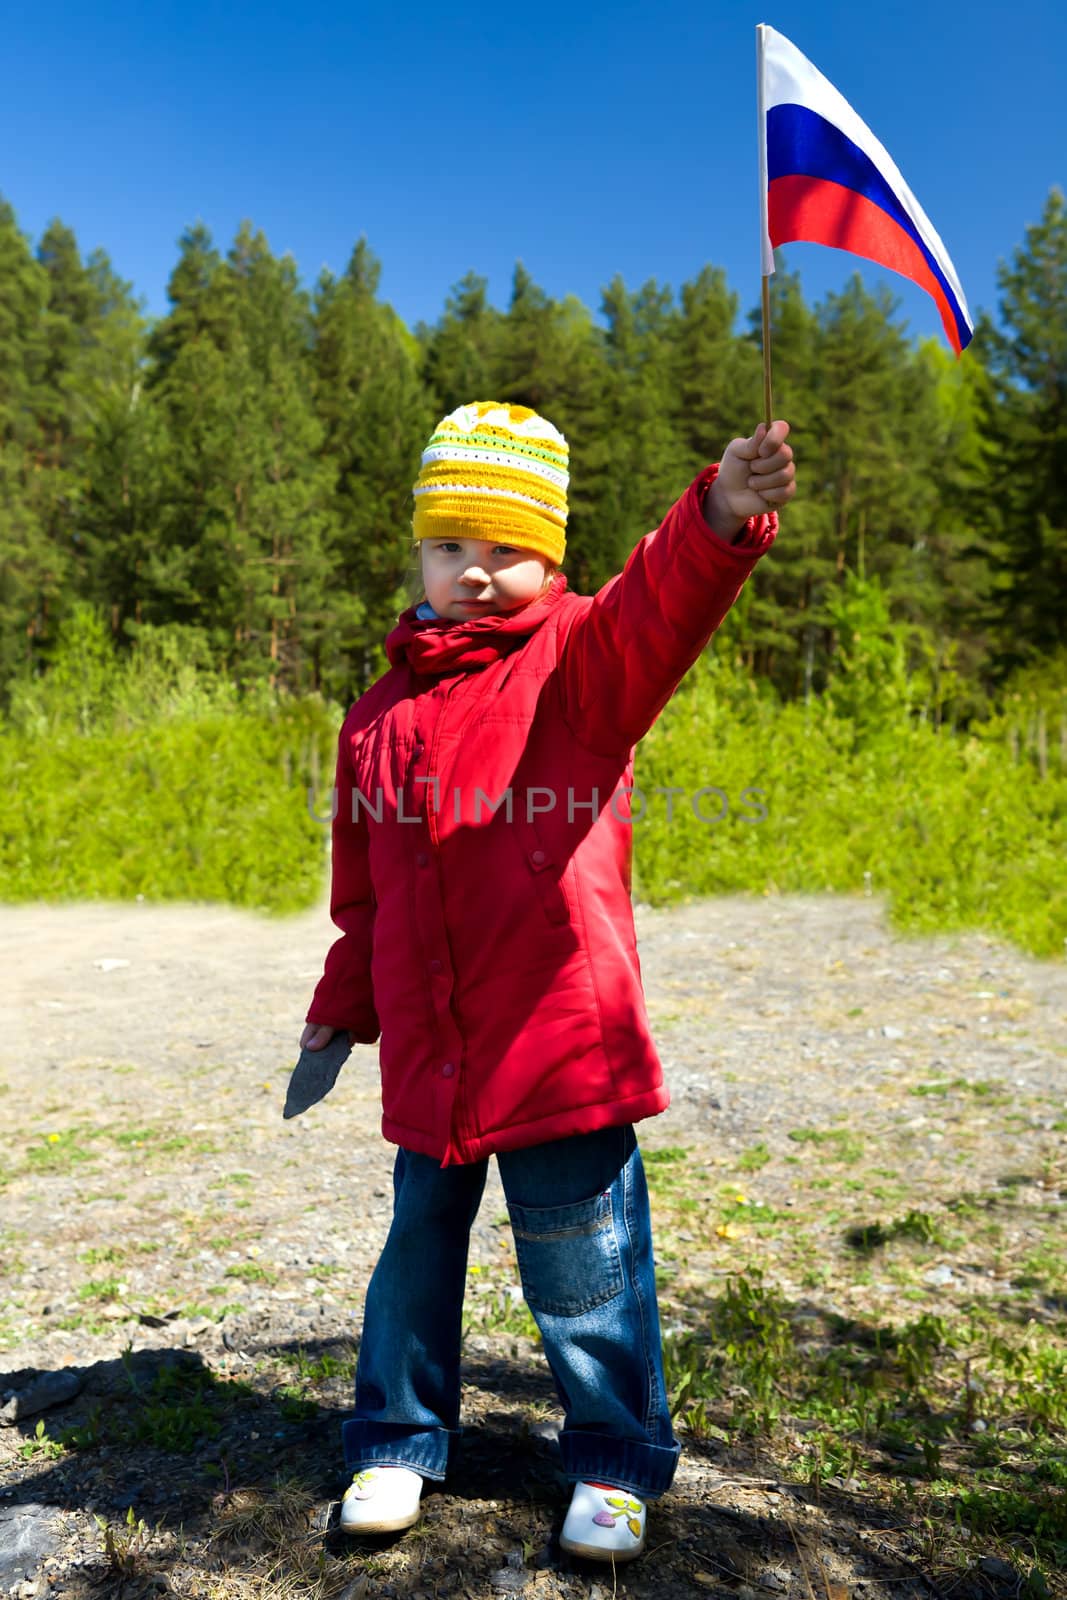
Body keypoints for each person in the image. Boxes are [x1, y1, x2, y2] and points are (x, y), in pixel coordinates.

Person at [300, 400, 795, 1562]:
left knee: (585, 1260)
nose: (475, 573)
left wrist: (719, 513)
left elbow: (658, 608)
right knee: (412, 1254)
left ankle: (614, 1457)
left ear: (552, 555)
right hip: (433, 1049)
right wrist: (341, 1002)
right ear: (416, 550)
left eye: (505, 549)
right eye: (450, 545)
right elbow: (361, 886)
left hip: (556, 1037)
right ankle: (394, 1436)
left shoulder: (579, 663)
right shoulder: (373, 719)